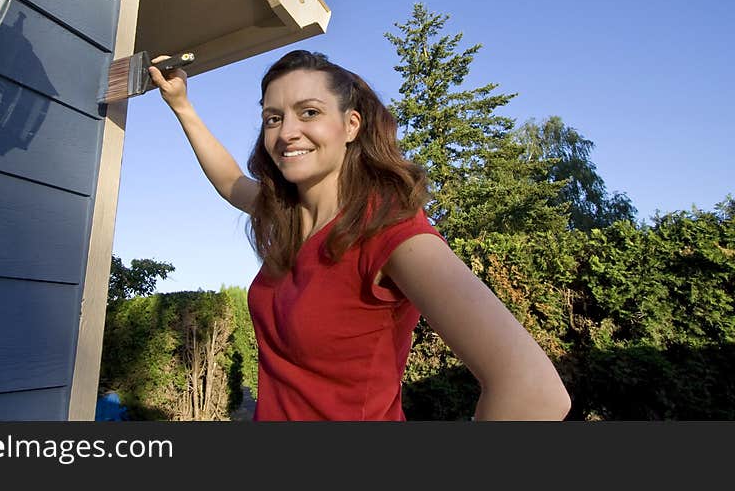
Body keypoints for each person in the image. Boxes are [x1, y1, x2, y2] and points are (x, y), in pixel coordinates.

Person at [147, 49, 571, 421]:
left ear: (351, 125)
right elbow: (230, 182)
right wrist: (182, 106)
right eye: (273, 118)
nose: (286, 132)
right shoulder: (289, 216)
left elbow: (534, 393)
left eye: (308, 112)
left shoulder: (392, 233)